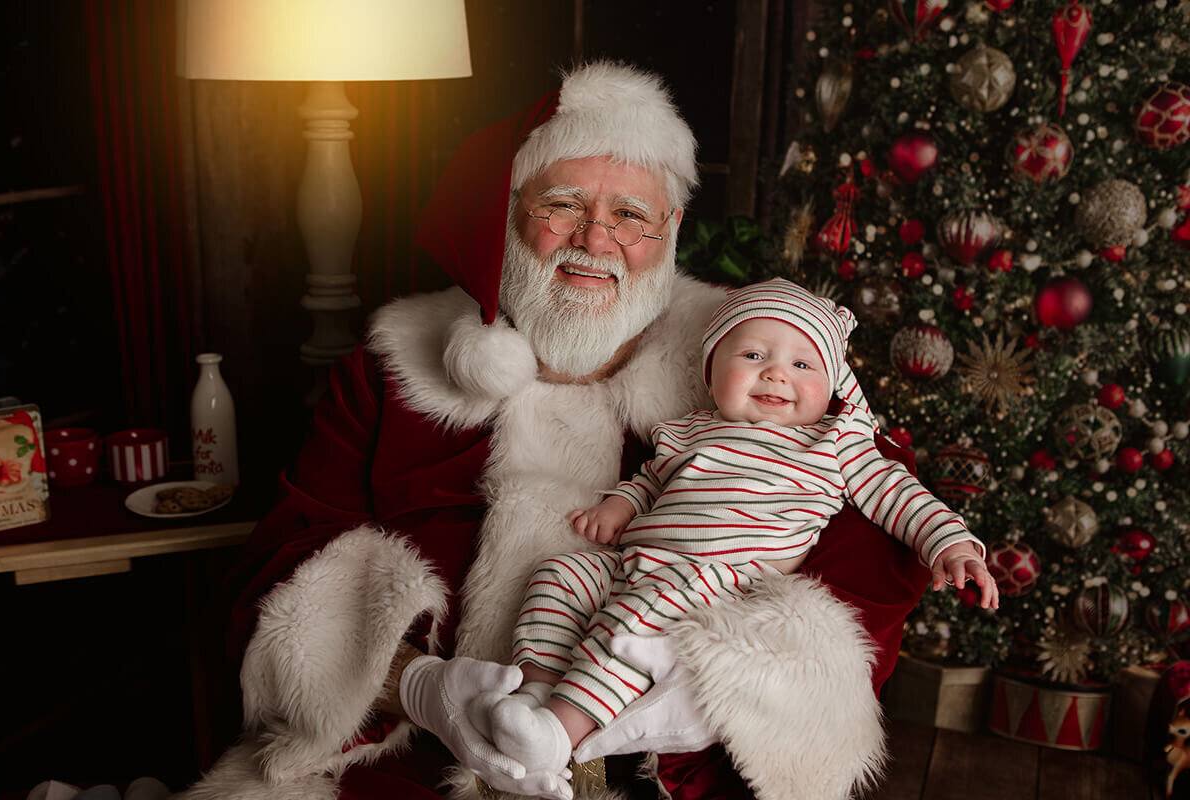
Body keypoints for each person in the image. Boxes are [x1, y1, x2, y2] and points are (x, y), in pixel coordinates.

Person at [179, 62, 934, 800]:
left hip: (666, 778)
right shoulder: (391, 369)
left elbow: (880, 527)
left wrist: (721, 694)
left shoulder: (752, 349)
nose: (596, 241)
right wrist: (414, 685)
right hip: (410, 768)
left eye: (631, 215)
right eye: (561, 206)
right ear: (508, 216)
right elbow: (280, 561)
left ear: (670, 229)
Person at [471, 279, 999, 773]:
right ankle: (535, 688)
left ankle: (561, 732)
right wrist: (618, 508)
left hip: (723, 581)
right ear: (711, 369)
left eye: (802, 363)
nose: (776, 373)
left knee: (635, 620)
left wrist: (948, 544)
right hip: (636, 562)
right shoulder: (687, 431)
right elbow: (650, 482)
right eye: (752, 355)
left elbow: (898, 495)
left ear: (831, 383)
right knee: (560, 574)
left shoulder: (834, 442)